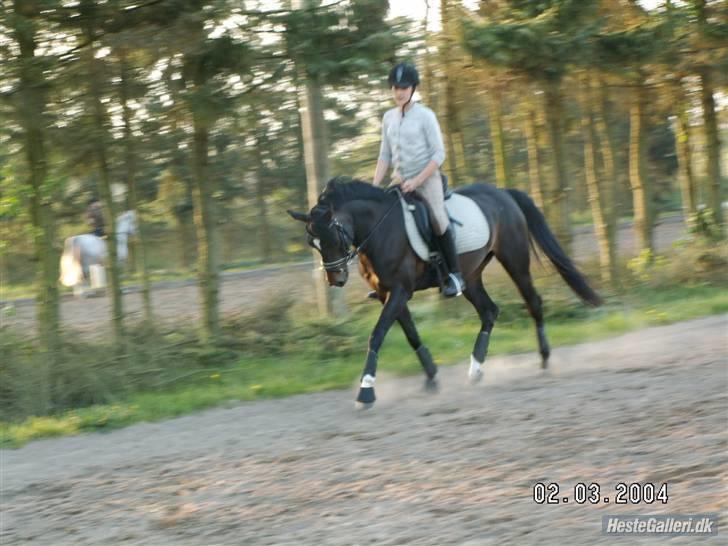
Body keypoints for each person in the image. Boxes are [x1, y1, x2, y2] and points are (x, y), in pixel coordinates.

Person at [373, 61, 464, 297]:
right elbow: (385, 155)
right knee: (381, 216)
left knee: (436, 217)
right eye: (395, 88)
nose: (399, 92)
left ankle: (454, 274)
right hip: (399, 179)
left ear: (413, 89)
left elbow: (439, 154)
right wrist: (374, 187)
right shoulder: (388, 118)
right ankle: (386, 279)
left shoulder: (425, 116)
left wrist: (417, 181)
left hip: (427, 178)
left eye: (404, 88)